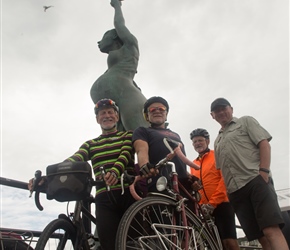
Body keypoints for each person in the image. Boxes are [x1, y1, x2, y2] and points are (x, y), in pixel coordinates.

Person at [29, 98, 136, 250]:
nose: (107, 116)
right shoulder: (90, 144)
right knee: (108, 244)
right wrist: (50, 177)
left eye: (110, 112)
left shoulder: (127, 135)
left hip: (127, 194)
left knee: (134, 242)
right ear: (97, 119)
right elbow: (73, 160)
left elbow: (125, 155)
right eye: (102, 113)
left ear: (117, 117)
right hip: (104, 198)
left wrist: (115, 171)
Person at [210, 97, 288, 250]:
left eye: (223, 108)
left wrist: (264, 172)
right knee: (259, 236)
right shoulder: (217, 140)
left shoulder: (245, 122)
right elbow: (221, 169)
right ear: (212, 115)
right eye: (216, 110)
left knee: (271, 230)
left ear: (231, 109)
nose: (221, 112)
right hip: (235, 192)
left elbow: (264, 143)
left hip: (255, 181)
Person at [90, 0, 148, 131]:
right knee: (119, 141)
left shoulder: (129, 47)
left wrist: (116, 5)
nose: (99, 42)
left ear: (115, 35)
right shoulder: (113, 67)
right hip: (115, 102)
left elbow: (119, 24)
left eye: (104, 36)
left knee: (139, 134)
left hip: (127, 97)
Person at [132, 96, 199, 194]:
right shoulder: (143, 131)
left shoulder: (176, 135)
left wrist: (190, 177)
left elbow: (180, 162)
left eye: (161, 109)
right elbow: (141, 150)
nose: (157, 111)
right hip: (160, 182)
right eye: (152, 109)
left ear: (166, 114)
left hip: (183, 185)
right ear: (147, 116)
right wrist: (145, 166)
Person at [189, 128, 240, 250]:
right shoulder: (193, 164)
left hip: (222, 203)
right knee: (213, 244)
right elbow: (196, 187)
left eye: (200, 140)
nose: (197, 144)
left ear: (207, 141)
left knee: (229, 241)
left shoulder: (216, 155)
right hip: (204, 209)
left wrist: (213, 203)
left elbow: (224, 180)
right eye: (195, 142)